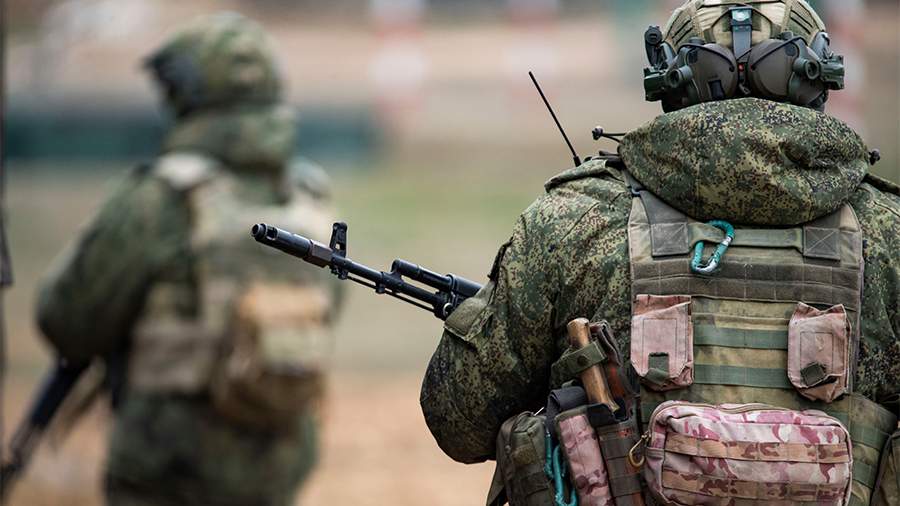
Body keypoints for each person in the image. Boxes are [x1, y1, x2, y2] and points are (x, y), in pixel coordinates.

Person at [420, 1, 900, 504]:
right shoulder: (887, 233)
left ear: (670, 84)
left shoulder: (575, 221)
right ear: (815, 80)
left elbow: (461, 421)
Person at [36, 12, 341, 506]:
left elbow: (67, 321)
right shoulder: (310, 199)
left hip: (166, 472)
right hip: (276, 473)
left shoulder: (157, 200)